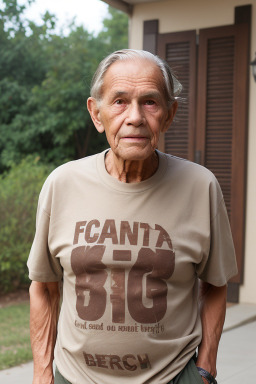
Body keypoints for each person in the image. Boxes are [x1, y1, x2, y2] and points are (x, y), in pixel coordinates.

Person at [28, 49, 237, 384]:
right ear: (96, 114)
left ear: (170, 114)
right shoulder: (62, 185)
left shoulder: (201, 187)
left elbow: (216, 284)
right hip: (75, 378)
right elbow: (43, 286)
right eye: (120, 101)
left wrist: (206, 369)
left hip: (173, 376)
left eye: (150, 102)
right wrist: (41, 373)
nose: (136, 117)